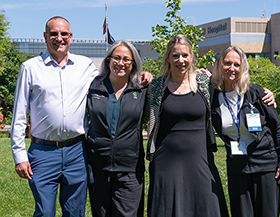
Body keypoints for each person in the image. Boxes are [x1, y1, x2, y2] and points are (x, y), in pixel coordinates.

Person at [10, 16, 152, 216]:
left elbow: (116, 76)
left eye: (64, 34)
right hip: (42, 151)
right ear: (45, 36)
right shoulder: (30, 68)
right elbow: (19, 116)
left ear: (71, 37)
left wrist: (142, 75)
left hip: (77, 151)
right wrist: (19, 156)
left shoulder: (85, 67)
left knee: (76, 212)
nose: (59, 38)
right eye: (53, 34)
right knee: (45, 212)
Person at [146, 34, 229, 217]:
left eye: (185, 55)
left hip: (201, 160)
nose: (180, 60)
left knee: (207, 207)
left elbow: (236, 88)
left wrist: (262, 92)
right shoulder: (156, 87)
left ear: (192, 57)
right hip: (165, 162)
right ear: (168, 58)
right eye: (175, 55)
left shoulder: (205, 83)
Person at [210, 45, 280, 217]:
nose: (232, 68)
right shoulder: (213, 96)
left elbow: (277, 128)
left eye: (237, 65)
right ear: (219, 65)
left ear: (243, 68)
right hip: (237, 165)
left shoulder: (256, 92)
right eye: (227, 63)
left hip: (265, 163)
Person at [86, 40, 147, 217]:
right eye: (116, 58)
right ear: (108, 60)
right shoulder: (93, 87)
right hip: (98, 166)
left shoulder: (142, 89)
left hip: (130, 167)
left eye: (126, 59)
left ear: (133, 64)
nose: (121, 63)